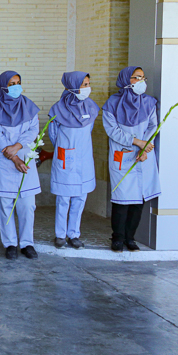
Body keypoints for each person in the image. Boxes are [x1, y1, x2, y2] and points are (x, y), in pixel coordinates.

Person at [102, 66, 160, 252]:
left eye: (143, 77)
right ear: (126, 80)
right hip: (123, 155)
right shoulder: (112, 103)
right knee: (122, 200)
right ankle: (117, 238)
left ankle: (130, 238)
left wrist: (146, 146)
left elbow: (153, 126)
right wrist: (137, 142)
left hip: (143, 156)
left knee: (137, 201)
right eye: (136, 77)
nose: (141, 81)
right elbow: (112, 131)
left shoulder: (149, 103)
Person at [0, 70, 41, 260]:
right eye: (11, 84)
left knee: (27, 205)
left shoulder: (28, 106)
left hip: (24, 159)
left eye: (18, 82)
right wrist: (13, 157)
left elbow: (33, 130)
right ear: (3, 86)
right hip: (5, 161)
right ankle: (10, 243)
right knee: (6, 206)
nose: (16, 86)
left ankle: (27, 243)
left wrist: (18, 147)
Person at [48, 72, 100, 249]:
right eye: (84, 84)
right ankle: (60, 234)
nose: (87, 88)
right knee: (63, 199)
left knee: (80, 198)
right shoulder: (58, 110)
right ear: (72, 86)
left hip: (84, 158)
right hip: (66, 157)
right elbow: (53, 135)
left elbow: (88, 130)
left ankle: (74, 234)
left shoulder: (91, 107)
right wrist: (66, 150)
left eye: (88, 84)